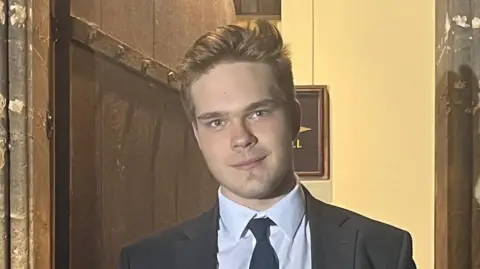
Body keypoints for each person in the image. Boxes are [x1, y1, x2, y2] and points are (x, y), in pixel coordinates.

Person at [118, 19, 416, 269]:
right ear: (197, 134)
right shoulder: (148, 261)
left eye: (258, 113)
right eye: (217, 122)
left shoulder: (383, 252)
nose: (241, 138)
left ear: (295, 118)